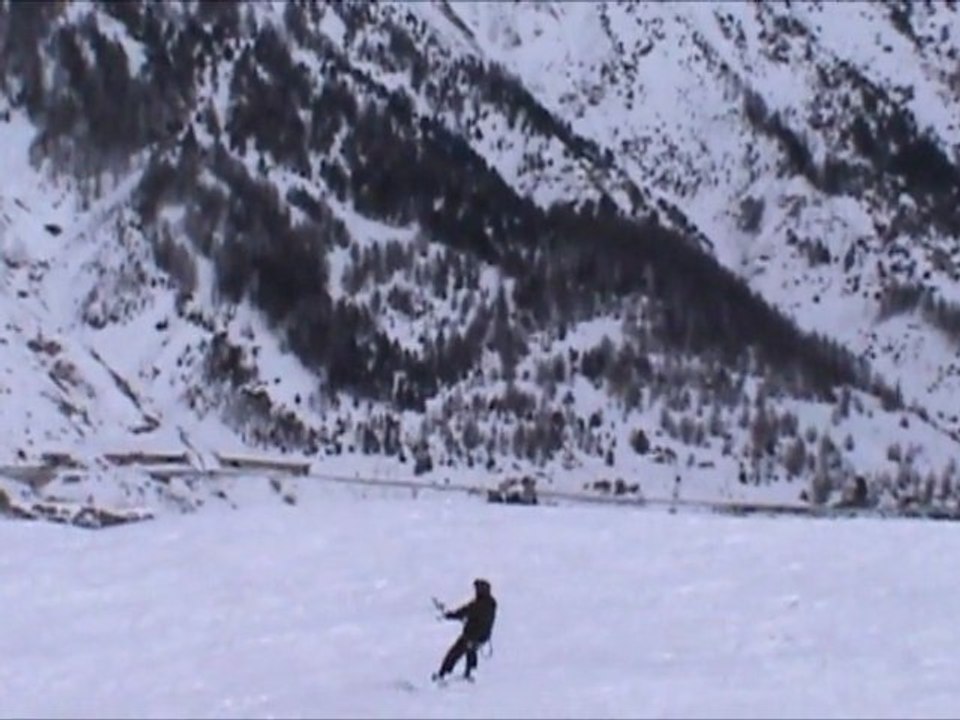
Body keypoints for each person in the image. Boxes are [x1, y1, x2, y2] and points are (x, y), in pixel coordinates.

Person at [432, 578, 497, 682]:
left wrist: (450, 615)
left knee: (454, 653)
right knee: (470, 652)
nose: (476, 591)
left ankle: (443, 675)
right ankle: (471, 673)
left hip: (472, 635)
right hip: (482, 636)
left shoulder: (480, 603)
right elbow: (470, 612)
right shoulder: (490, 603)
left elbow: (465, 611)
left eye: (477, 588)